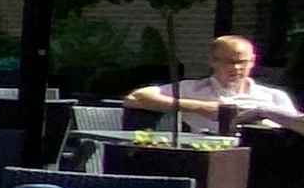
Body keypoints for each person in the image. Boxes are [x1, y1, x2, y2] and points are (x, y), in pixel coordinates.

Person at [125, 32, 303, 130]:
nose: (235, 68)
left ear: (253, 61)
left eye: (241, 62)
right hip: (215, 159)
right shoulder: (194, 89)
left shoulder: (273, 97)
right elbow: (135, 98)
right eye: (227, 61)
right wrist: (203, 108)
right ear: (212, 60)